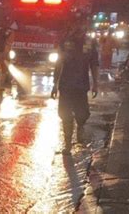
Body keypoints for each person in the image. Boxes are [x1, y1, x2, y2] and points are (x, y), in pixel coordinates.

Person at [51, 11, 99, 155]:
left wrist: (96, 83)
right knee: (65, 114)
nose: (78, 26)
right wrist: (54, 84)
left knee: (82, 114)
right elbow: (59, 63)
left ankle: (81, 127)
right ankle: (67, 145)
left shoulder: (90, 43)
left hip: (81, 86)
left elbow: (94, 64)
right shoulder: (65, 42)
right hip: (65, 86)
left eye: (81, 23)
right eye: (76, 23)